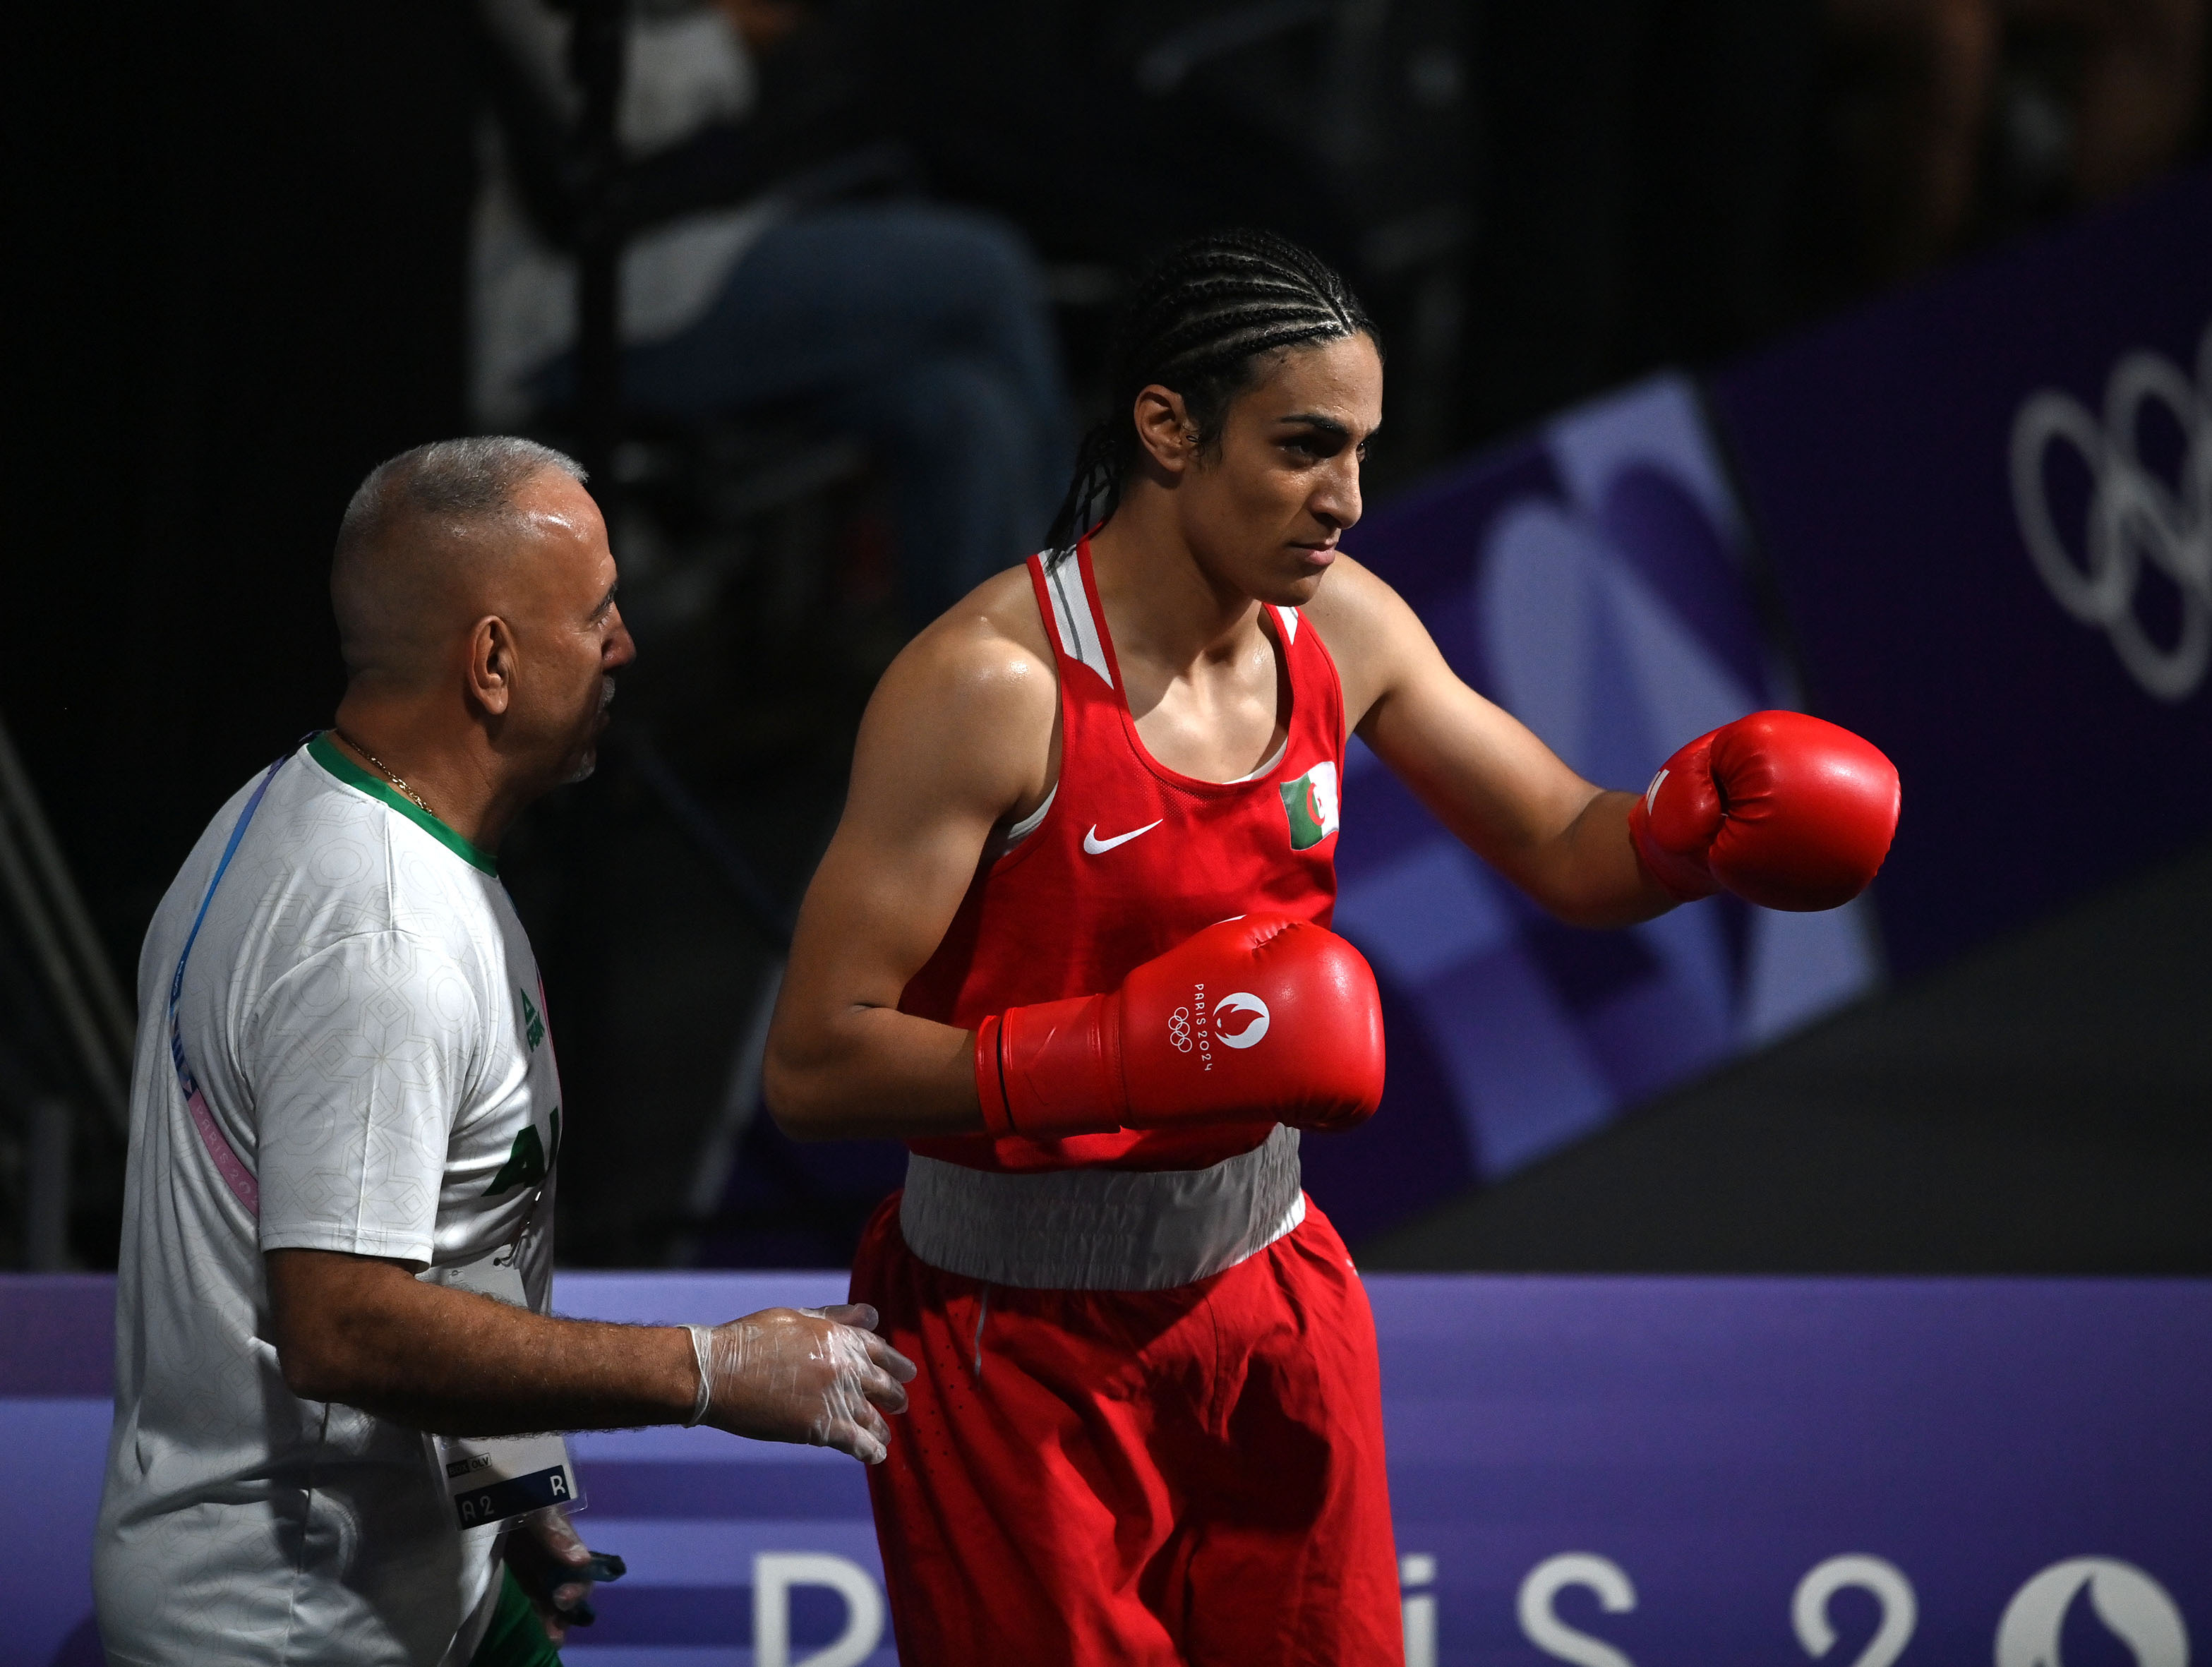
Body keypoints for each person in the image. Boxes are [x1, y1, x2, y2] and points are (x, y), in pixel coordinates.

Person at [761, 230, 1899, 1664]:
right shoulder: (989, 688)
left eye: (1358, 450)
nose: (1346, 500)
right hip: (1013, 1334)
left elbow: (1563, 839)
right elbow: (816, 1064)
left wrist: (1683, 836)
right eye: (1304, 447)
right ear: (1167, 427)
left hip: (1271, 1294)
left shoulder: (1340, 629)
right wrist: (1110, 1057)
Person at [92, 437, 915, 1667]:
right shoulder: (384, 940)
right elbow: (343, 1324)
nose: (624, 645)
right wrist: (710, 1369)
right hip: (298, 1627)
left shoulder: (308, 813)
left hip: (425, 1588)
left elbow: (453, 1227)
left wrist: (505, 1486)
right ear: (491, 661)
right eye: (595, 614)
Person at [471, 0, 1072, 620]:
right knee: (985, 269)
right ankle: (1085, 629)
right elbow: (624, 110)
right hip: (574, 312)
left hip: (700, 248)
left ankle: (999, 672)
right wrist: (735, 29)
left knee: (965, 405)